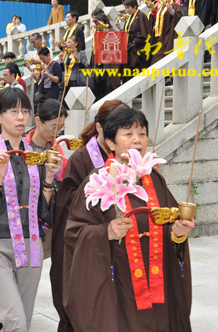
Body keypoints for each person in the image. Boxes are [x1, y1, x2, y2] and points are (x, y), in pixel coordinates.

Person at [63, 107, 193, 331]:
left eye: (142, 134)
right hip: (118, 285)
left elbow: (170, 225)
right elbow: (74, 233)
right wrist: (106, 232)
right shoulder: (97, 181)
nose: (137, 140)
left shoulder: (154, 180)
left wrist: (178, 234)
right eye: (128, 134)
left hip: (158, 284)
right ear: (111, 143)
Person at [0, 87, 62, 331]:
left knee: (25, 320)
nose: (21, 117)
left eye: (25, 111)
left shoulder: (37, 157)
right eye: (13, 111)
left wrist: (49, 179)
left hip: (31, 245)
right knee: (15, 321)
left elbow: (44, 213)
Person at [50, 99, 129, 332]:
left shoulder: (131, 163)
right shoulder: (81, 159)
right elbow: (67, 210)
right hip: (86, 248)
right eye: (114, 129)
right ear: (99, 128)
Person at [25, 95, 68, 260]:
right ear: (37, 121)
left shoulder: (57, 150)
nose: (56, 132)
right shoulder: (24, 148)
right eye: (53, 127)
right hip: (26, 218)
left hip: (48, 219)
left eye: (60, 128)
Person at [117, 0, 152, 72]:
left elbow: (145, 33)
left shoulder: (141, 16)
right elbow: (127, 33)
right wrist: (120, 28)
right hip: (129, 49)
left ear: (135, 6)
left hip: (137, 49)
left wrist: (135, 42)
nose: (127, 10)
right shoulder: (129, 17)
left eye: (128, 7)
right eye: (126, 8)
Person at [150, 0, 183, 65]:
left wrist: (172, 11)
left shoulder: (174, 5)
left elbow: (180, 19)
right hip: (159, 39)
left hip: (167, 38)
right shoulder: (161, 7)